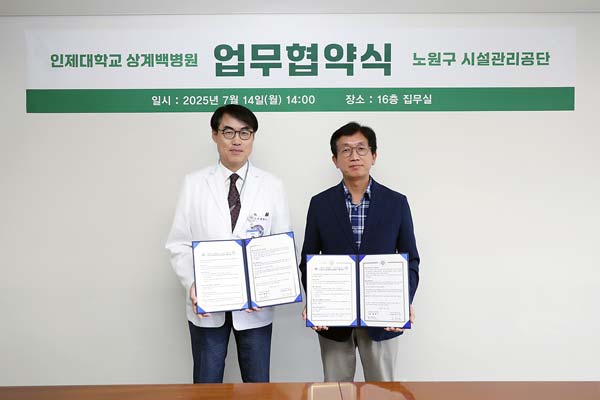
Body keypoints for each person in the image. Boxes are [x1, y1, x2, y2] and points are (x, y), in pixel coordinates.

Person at [165, 104, 291, 383]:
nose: (237, 140)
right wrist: (193, 283)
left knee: (258, 386)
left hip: (255, 308)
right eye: (229, 132)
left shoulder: (272, 185)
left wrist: (267, 290)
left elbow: (281, 247)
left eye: (245, 133)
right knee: (206, 385)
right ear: (215, 135)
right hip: (207, 305)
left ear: (253, 137)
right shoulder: (194, 183)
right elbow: (179, 243)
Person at [299, 122, 420, 382]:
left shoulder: (396, 203)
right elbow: (308, 260)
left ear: (374, 156)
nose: (354, 156)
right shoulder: (320, 204)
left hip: (383, 319)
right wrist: (316, 302)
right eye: (345, 150)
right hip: (334, 320)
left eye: (361, 149)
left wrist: (403, 301)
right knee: (335, 392)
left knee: (383, 392)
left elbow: (411, 259)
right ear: (335, 160)